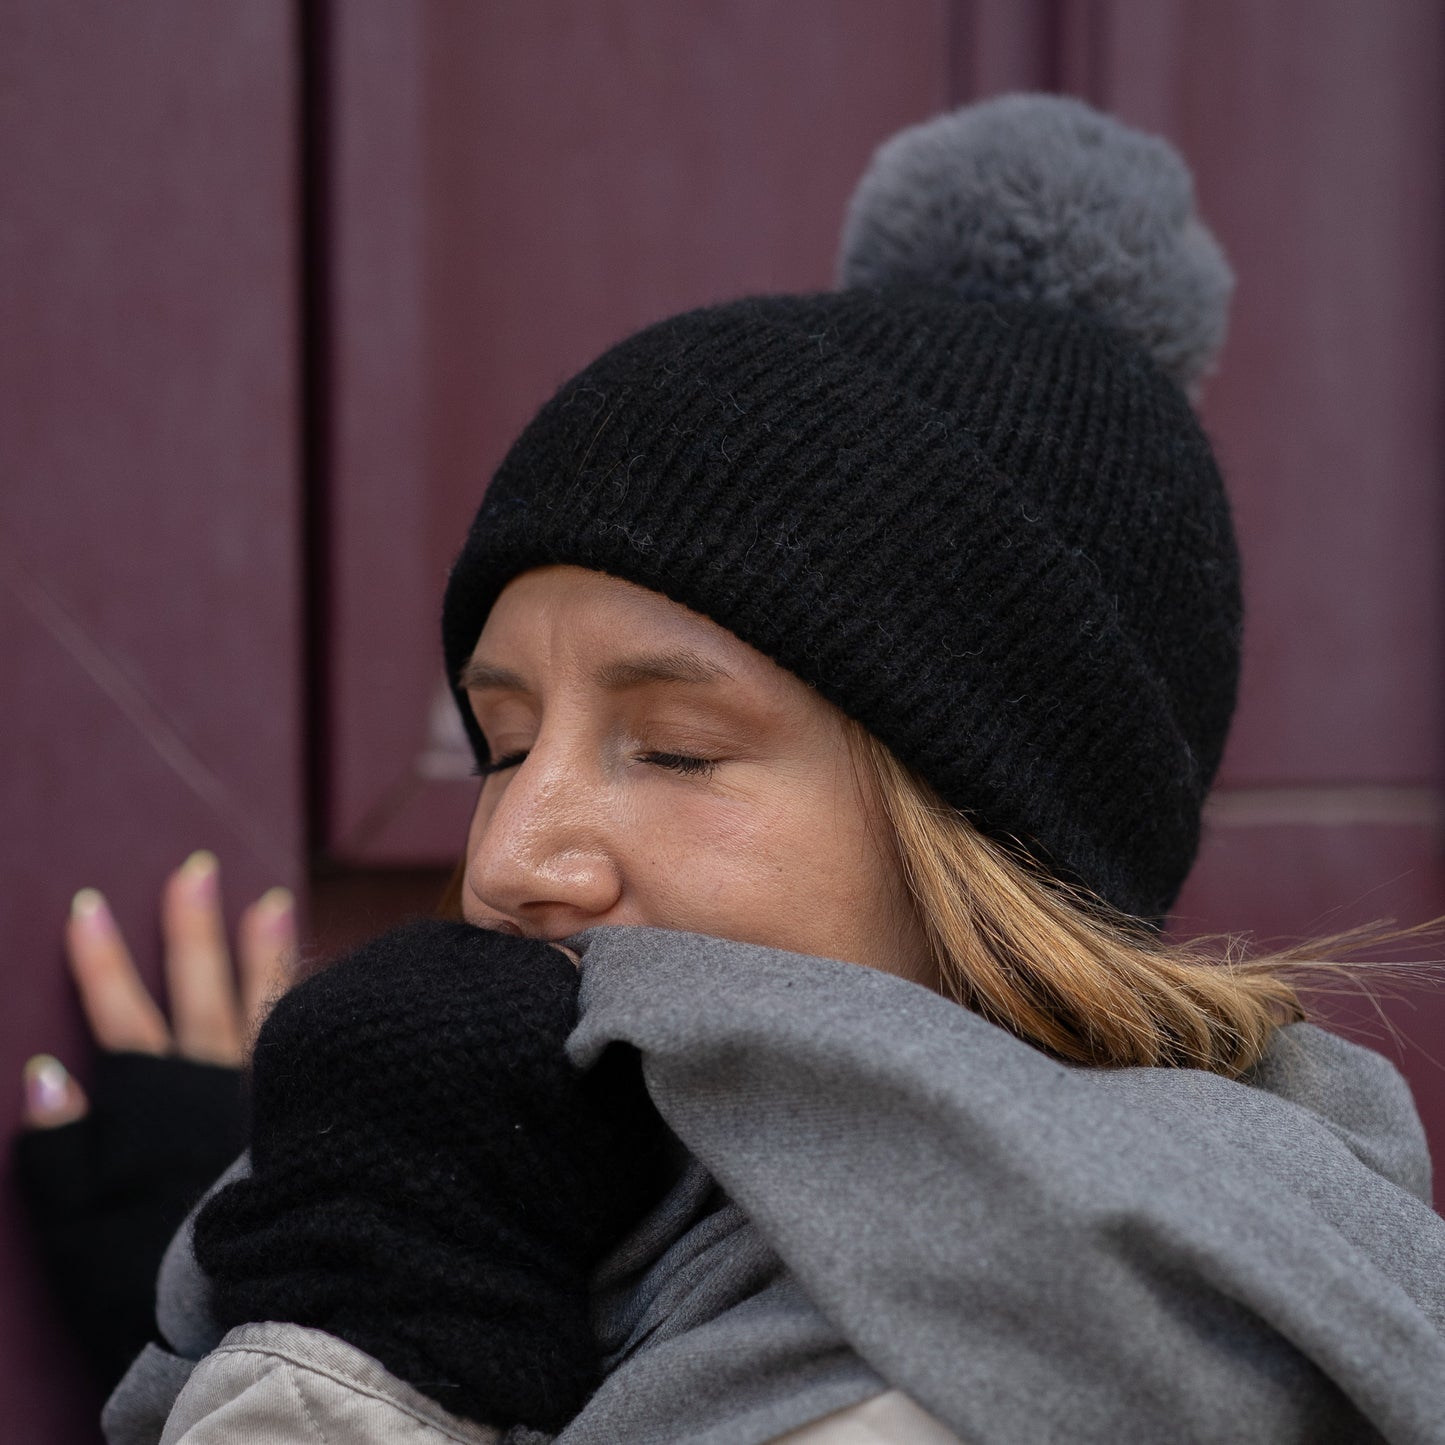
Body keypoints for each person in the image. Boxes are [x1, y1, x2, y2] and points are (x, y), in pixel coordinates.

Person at [33, 94, 1445, 1443]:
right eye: (503, 746)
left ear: (993, 851)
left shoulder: (985, 1385)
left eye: (676, 749)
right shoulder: (649, 1231)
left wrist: (356, 1323)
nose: (508, 860)